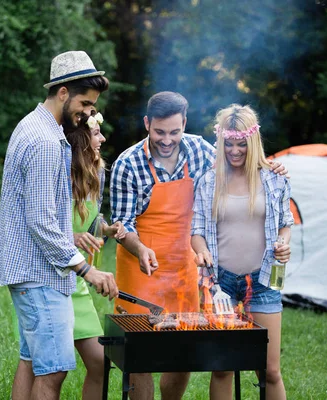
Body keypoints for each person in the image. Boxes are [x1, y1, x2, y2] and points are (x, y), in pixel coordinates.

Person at [109, 92, 287, 400]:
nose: (167, 140)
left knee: (182, 352)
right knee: (142, 358)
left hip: (184, 267)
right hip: (142, 268)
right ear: (147, 123)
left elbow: (238, 159)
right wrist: (139, 249)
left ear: (185, 125)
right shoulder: (128, 164)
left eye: (174, 132)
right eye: (159, 132)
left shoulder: (199, 150)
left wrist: (268, 164)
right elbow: (122, 223)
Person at [0, 50, 119, 400]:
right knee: (54, 369)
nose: (88, 113)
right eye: (85, 103)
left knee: (31, 360)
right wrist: (86, 271)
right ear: (63, 92)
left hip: (31, 270)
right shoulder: (46, 142)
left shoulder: (33, 125)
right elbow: (43, 223)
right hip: (39, 273)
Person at [191, 104, 292, 400]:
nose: (235, 151)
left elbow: (286, 223)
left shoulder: (274, 178)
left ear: (253, 142)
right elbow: (196, 232)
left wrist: (283, 243)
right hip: (221, 284)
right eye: (229, 144)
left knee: (269, 370)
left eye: (242, 145)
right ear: (220, 143)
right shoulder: (209, 181)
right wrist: (201, 252)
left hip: (265, 281)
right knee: (222, 367)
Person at [64, 110, 127, 399]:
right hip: (47, 274)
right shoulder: (60, 168)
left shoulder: (98, 170)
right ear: (80, 139)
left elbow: (90, 224)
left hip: (75, 278)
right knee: (49, 367)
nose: (102, 138)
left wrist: (107, 228)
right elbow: (45, 226)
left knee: (100, 362)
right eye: (96, 133)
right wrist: (74, 237)